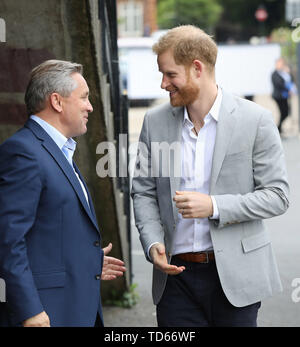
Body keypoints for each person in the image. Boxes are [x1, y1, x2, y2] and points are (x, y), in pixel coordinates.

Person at [131, 25, 289, 327]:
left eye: (170, 74)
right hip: (175, 280)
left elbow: (277, 196)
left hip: (236, 278)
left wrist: (214, 206)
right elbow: (144, 191)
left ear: (197, 68)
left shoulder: (255, 120)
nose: (163, 84)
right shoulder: (155, 122)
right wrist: (153, 243)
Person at [0, 60, 126, 327]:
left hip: (74, 307)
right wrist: (29, 310)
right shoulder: (24, 153)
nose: (90, 106)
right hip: (46, 314)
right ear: (57, 101)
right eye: (84, 97)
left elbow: (49, 227)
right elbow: (8, 240)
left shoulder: (59, 150)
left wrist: (86, 261)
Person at [271, 57, 297, 134]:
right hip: (278, 96)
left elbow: (291, 80)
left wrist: (289, 73)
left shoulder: (284, 73)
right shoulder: (274, 74)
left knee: (286, 112)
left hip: (285, 96)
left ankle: (279, 129)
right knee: (283, 112)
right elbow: (278, 84)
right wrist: (287, 90)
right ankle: (277, 128)